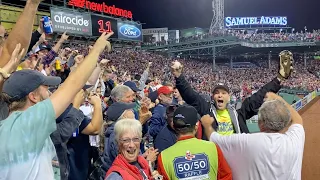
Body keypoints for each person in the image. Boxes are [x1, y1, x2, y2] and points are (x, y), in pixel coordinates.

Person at [0, 32, 114, 179]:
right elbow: (73, 84)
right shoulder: (28, 123)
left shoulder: (6, 124)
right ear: (33, 96)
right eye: (46, 88)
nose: (50, 92)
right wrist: (96, 50)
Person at [171, 51, 293, 137]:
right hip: (216, 155)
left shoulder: (238, 111)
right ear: (213, 97)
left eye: (224, 93)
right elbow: (190, 96)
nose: (220, 96)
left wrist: (279, 80)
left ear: (228, 97)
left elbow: (258, 97)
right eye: (217, 93)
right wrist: (178, 77)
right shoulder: (207, 110)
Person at [201, 92, 304, 180]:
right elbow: (298, 119)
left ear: (260, 123)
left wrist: (207, 125)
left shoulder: (245, 141)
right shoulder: (294, 141)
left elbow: (213, 137)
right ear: (284, 122)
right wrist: (277, 98)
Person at [157, 105, 232, 180]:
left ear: (174, 125)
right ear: (197, 125)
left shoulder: (164, 157)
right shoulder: (213, 148)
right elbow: (226, 176)